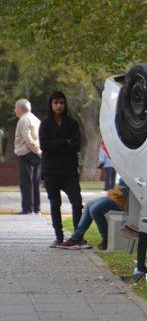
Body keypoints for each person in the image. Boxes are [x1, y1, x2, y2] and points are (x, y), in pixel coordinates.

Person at [39, 91, 83, 247]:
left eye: (61, 103)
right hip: (51, 171)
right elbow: (44, 146)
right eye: (56, 102)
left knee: (77, 203)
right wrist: (65, 142)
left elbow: (76, 146)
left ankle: (78, 236)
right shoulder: (45, 124)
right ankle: (59, 236)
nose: (59, 105)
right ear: (51, 104)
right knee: (55, 203)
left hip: (69, 171)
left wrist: (57, 144)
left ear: (65, 104)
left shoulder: (72, 124)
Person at [57, 181, 128, 250]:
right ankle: (76, 238)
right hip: (115, 198)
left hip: (123, 203)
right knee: (88, 204)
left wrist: (123, 189)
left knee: (95, 209)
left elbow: (127, 192)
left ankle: (106, 239)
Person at [13, 99, 42, 215]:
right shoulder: (35, 118)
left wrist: (35, 150)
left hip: (27, 153)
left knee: (26, 182)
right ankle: (36, 208)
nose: (15, 110)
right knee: (35, 181)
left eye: (15, 108)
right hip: (36, 153)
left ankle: (27, 208)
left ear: (20, 109)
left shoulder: (24, 119)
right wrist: (39, 151)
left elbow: (28, 138)